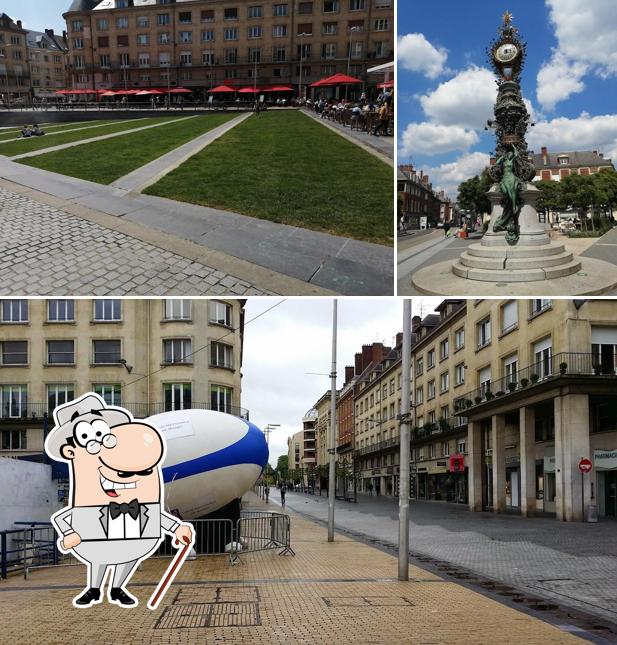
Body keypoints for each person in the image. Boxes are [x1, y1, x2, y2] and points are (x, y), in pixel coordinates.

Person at [45, 393, 194, 608]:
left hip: (133, 539)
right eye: (90, 439)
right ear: (70, 451)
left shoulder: (136, 483)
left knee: (128, 557)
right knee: (99, 557)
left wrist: (177, 528)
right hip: (98, 540)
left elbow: (155, 516)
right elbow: (63, 518)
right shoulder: (88, 495)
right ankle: (94, 589)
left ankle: (117, 588)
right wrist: (69, 533)